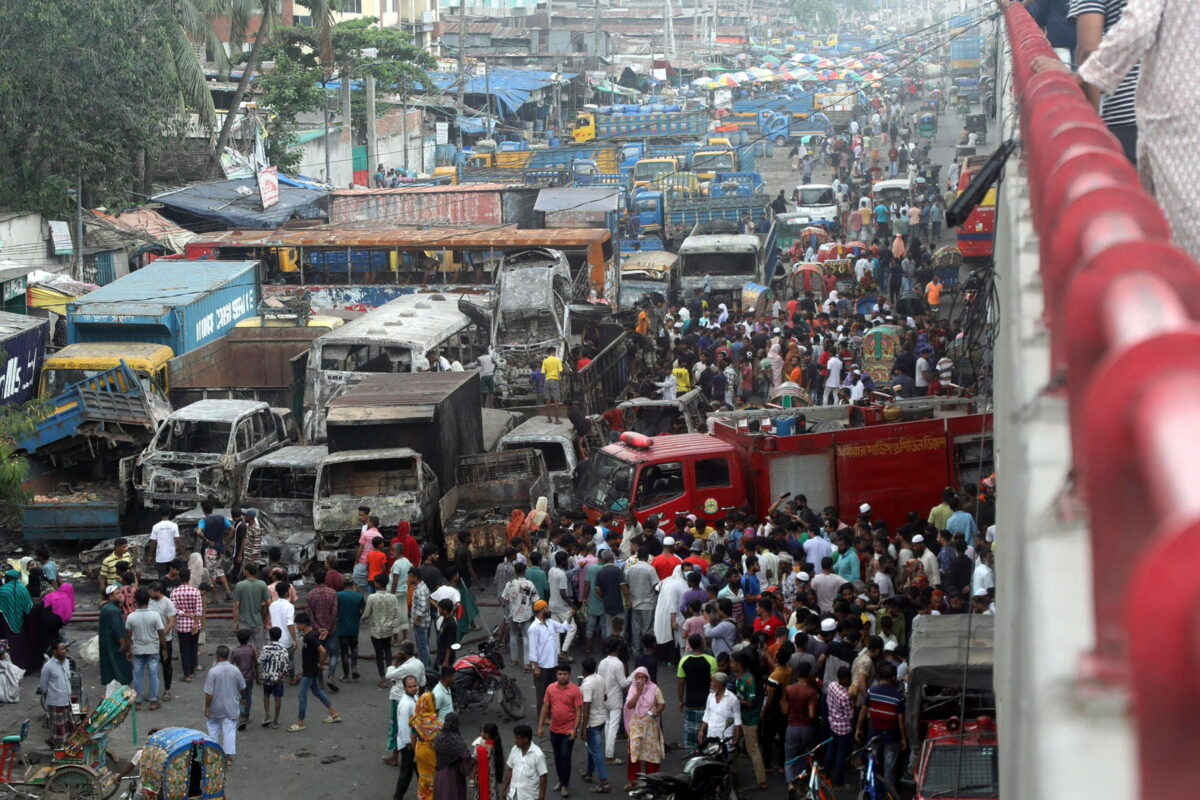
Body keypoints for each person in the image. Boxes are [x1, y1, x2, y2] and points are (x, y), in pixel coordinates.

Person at [289, 611, 341, 731]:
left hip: (310, 671)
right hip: (310, 669)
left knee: (302, 695)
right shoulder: (311, 635)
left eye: (297, 624)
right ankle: (334, 713)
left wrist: (320, 664)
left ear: (303, 624)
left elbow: (322, 651)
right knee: (317, 691)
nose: (297, 626)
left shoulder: (310, 637)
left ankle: (300, 721)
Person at [857, 661, 906, 787]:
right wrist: (903, 738)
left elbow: (863, 711)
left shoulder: (871, 691)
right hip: (891, 736)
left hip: (874, 733)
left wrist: (858, 729)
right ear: (893, 678)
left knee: (872, 762)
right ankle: (889, 793)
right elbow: (900, 720)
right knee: (889, 768)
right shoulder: (898, 696)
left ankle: (869, 787)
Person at [536, 663, 582, 797]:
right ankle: (561, 781)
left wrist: (575, 729)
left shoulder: (575, 690)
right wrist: (540, 726)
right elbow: (545, 707)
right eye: (560, 674)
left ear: (569, 675)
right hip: (554, 729)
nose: (562, 677)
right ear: (556, 675)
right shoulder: (550, 688)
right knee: (557, 757)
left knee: (565, 757)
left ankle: (565, 785)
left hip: (568, 730)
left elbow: (578, 711)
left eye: (565, 674)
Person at [622, 666, 665, 791]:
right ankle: (633, 781)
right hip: (636, 726)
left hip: (650, 727)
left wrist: (657, 711)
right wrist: (638, 693)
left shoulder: (654, 688)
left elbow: (662, 703)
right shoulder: (633, 689)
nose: (640, 680)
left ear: (647, 678)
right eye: (638, 677)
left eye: (642, 677)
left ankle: (652, 782)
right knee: (634, 753)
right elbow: (629, 706)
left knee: (651, 755)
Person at [528, 600, 572, 718]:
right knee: (542, 693)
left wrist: (570, 616)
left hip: (553, 664)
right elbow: (532, 650)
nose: (549, 610)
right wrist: (536, 667)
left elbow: (563, 628)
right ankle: (542, 716)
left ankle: (550, 714)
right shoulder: (534, 628)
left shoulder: (550, 622)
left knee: (553, 692)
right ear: (541, 610)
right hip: (541, 666)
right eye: (547, 608)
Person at [731, 650, 767, 790]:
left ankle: (762, 781)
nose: (731, 665)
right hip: (739, 718)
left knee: (753, 749)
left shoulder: (748, 680)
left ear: (739, 665)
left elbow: (750, 703)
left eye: (733, 662)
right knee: (733, 744)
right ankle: (733, 772)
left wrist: (735, 700)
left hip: (749, 720)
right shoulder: (739, 677)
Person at [204, 645, 246, 765]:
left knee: (213, 729)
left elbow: (209, 693)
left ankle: (214, 755)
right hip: (231, 705)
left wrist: (207, 707)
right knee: (229, 730)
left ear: (217, 656)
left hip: (215, 705)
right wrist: (243, 698)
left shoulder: (213, 671)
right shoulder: (235, 670)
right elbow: (242, 687)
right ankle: (228, 757)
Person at [126, 588, 166, 708]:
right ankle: (153, 701)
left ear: (135, 601)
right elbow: (161, 634)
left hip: (138, 649)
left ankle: (137, 701)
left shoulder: (131, 617)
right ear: (148, 600)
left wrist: (128, 650)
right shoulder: (155, 615)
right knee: (154, 674)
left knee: (137, 675)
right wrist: (164, 649)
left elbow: (128, 636)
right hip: (153, 649)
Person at [781, 661, 819, 785]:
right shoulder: (811, 692)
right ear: (809, 675)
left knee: (789, 758)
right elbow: (812, 714)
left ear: (797, 674)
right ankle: (801, 782)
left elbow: (785, 710)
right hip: (806, 727)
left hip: (792, 726)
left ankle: (790, 783)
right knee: (804, 755)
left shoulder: (789, 689)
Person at [677, 633, 717, 751]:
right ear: (701, 644)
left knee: (691, 733)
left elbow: (680, 683)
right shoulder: (711, 660)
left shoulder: (683, 661)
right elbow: (714, 682)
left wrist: (680, 700)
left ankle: (691, 757)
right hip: (707, 702)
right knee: (706, 732)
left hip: (691, 702)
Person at [579, 657, 611, 792]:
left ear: (584, 670)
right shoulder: (600, 679)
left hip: (592, 722)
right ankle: (589, 773)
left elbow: (586, 706)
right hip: (602, 719)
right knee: (592, 748)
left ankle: (604, 782)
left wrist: (583, 727)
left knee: (596, 751)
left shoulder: (586, 685)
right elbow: (605, 697)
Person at [362, 575, 401, 686]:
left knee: (379, 655)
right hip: (388, 629)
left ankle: (383, 677)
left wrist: (362, 618)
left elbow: (366, 613)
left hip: (376, 630)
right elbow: (396, 614)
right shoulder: (392, 597)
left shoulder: (372, 597)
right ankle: (390, 676)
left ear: (377, 583)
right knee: (388, 652)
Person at [39, 640, 74, 749]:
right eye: (61, 649)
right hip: (55, 701)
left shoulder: (67, 662)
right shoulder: (48, 667)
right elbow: (43, 686)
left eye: (65, 649)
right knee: (59, 728)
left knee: (68, 725)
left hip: (66, 699)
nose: (64, 651)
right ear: (54, 651)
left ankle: (53, 741)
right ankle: (59, 749)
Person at [824, 666, 855, 788]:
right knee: (841, 755)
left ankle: (826, 773)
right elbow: (849, 715)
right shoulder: (845, 696)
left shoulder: (832, 685)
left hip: (833, 724)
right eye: (849, 678)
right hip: (844, 729)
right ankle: (839, 781)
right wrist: (852, 704)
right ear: (844, 679)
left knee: (831, 750)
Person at [170, 574, 203, 683]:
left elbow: (174, 610)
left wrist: (185, 614)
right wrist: (195, 623)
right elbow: (199, 610)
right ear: (189, 578)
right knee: (193, 647)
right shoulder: (196, 591)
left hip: (182, 626)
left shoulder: (174, 592)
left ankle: (187, 674)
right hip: (195, 625)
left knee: (184, 650)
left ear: (179, 578)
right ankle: (193, 669)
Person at [146, 583, 176, 703]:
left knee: (166, 665)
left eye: (152, 592)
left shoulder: (168, 603)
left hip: (165, 640)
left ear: (158, 591)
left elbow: (171, 621)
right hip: (152, 640)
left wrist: (162, 634)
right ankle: (154, 691)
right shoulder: (149, 602)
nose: (150, 594)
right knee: (153, 666)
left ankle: (167, 690)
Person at [433, 713, 474, 800]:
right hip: (452, 775)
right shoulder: (455, 739)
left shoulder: (439, 736)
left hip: (440, 773)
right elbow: (465, 756)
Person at [412, 690, 444, 800]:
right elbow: (439, 739)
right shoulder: (435, 722)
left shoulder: (416, 719)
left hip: (419, 750)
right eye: (433, 701)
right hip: (430, 752)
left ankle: (422, 796)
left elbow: (413, 737)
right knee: (432, 777)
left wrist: (415, 753)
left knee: (422, 776)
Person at [501, 724, 548, 800]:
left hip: (529, 797)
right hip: (513, 794)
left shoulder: (538, 755)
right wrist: (504, 789)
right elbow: (510, 769)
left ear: (525, 739)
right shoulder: (514, 750)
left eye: (517, 739)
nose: (515, 741)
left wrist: (541, 797)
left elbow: (543, 777)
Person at [697, 672, 742, 749]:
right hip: (711, 735)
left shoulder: (732, 699)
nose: (710, 683)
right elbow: (707, 713)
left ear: (720, 684)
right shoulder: (710, 696)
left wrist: (737, 736)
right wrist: (702, 731)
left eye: (713, 681)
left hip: (725, 738)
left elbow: (737, 718)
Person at [393, 675, 421, 799]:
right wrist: (410, 745)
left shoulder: (414, 697)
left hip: (415, 742)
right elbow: (403, 727)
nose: (413, 688)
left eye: (415, 686)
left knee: (419, 770)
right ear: (404, 688)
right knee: (406, 772)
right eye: (410, 687)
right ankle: (398, 796)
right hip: (408, 745)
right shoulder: (405, 705)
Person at [232, 562, 270, 650]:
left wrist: (235, 622)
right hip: (258, 621)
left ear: (247, 572)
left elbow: (236, 606)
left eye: (244, 570)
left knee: (245, 647)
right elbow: (268, 602)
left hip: (244, 622)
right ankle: (258, 663)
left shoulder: (239, 585)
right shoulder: (262, 584)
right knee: (260, 647)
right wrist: (267, 617)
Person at [257, 626, 289, 728]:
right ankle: (275, 721)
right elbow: (287, 667)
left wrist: (259, 674)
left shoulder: (265, 648)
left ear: (270, 636)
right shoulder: (283, 649)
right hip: (278, 678)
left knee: (266, 696)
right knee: (277, 698)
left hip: (267, 676)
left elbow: (260, 661)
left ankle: (267, 716)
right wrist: (279, 677)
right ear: (280, 636)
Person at [473, 721, 504, 800]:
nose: (481, 732)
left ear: (487, 734)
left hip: (483, 779)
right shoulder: (496, 744)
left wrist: (472, 776)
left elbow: (473, 761)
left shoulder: (481, 749)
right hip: (492, 778)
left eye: (482, 731)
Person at [147, 508, 179, 579]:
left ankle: (162, 589)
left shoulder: (156, 526)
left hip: (160, 558)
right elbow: (177, 540)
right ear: (169, 513)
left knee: (162, 578)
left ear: (159, 514)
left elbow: (153, 542)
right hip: (172, 557)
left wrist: (150, 555)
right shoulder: (174, 526)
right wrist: (181, 552)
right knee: (172, 577)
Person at [542, 346, 564, 423]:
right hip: (554, 380)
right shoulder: (557, 360)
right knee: (556, 400)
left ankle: (549, 419)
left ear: (548, 353)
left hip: (547, 380)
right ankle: (557, 420)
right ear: (554, 352)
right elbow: (560, 371)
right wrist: (561, 380)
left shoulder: (545, 361)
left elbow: (543, 372)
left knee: (547, 400)